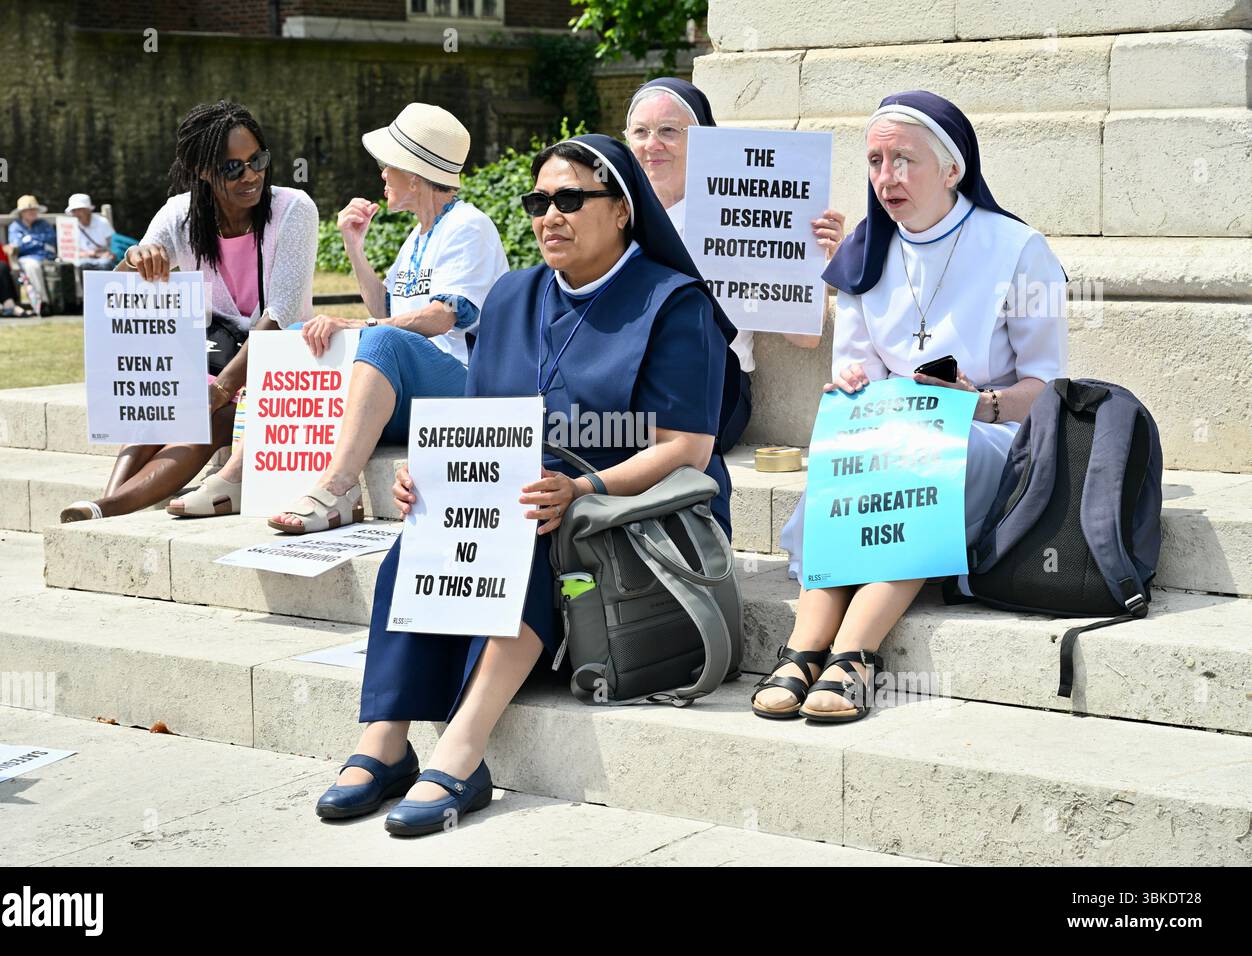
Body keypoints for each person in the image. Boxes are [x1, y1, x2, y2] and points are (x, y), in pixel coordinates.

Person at [313, 134, 739, 833]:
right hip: (524, 488)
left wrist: (585, 486)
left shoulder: (673, 302)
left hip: (626, 504)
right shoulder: (513, 294)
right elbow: (476, 419)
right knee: (428, 533)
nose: (549, 216)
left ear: (624, 211)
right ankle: (385, 738)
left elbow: (687, 448)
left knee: (528, 529)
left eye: (571, 199)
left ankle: (464, 744)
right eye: (539, 201)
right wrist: (432, 477)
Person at [752, 91, 1068, 723]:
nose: (885, 177)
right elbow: (859, 365)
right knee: (853, 454)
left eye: (904, 160)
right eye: (874, 160)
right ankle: (807, 645)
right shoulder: (867, 249)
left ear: (953, 169)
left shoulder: (1017, 249)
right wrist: (848, 381)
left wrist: (979, 404)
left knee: (915, 459)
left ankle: (855, 649)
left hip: (989, 433)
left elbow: (1047, 389)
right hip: (892, 430)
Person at [170, 103, 509, 527]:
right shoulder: (418, 235)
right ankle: (240, 473)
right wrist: (354, 245)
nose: (382, 174)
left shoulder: (468, 227)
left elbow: (443, 317)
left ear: (415, 174)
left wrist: (358, 326)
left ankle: (339, 489)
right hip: (411, 382)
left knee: (378, 339)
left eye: (389, 165)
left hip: (461, 384)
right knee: (290, 337)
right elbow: (386, 310)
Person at [59, 100, 318, 523]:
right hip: (213, 352)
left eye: (258, 160)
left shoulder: (294, 210)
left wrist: (219, 391)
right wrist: (137, 260)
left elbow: (282, 312)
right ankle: (103, 503)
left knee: (209, 417)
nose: (251, 175)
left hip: (278, 359)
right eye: (233, 168)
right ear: (202, 170)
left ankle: (108, 507)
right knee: (163, 404)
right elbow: (123, 288)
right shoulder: (181, 214)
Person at [624, 77, 847, 452]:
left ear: (706, 140)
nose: (652, 145)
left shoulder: (741, 214)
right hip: (630, 381)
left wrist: (819, 260)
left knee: (620, 444)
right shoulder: (616, 216)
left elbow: (804, 337)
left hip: (711, 385)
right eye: (641, 132)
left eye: (668, 131)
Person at [5, 195, 56, 315]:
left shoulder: (43, 224)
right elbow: (17, 246)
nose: (32, 212)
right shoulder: (15, 226)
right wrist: (38, 242)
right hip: (26, 259)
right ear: (21, 212)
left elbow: (51, 239)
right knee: (33, 266)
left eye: (34, 209)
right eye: (29, 210)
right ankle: (43, 302)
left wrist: (29, 240)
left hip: (48, 257)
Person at [66, 193, 116, 272]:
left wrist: (109, 253)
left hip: (103, 258)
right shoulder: (70, 226)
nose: (76, 213)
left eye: (79, 209)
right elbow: (68, 252)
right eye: (73, 210)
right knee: (83, 265)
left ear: (88, 210)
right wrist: (91, 254)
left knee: (105, 264)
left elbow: (113, 244)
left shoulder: (102, 222)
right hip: (82, 260)